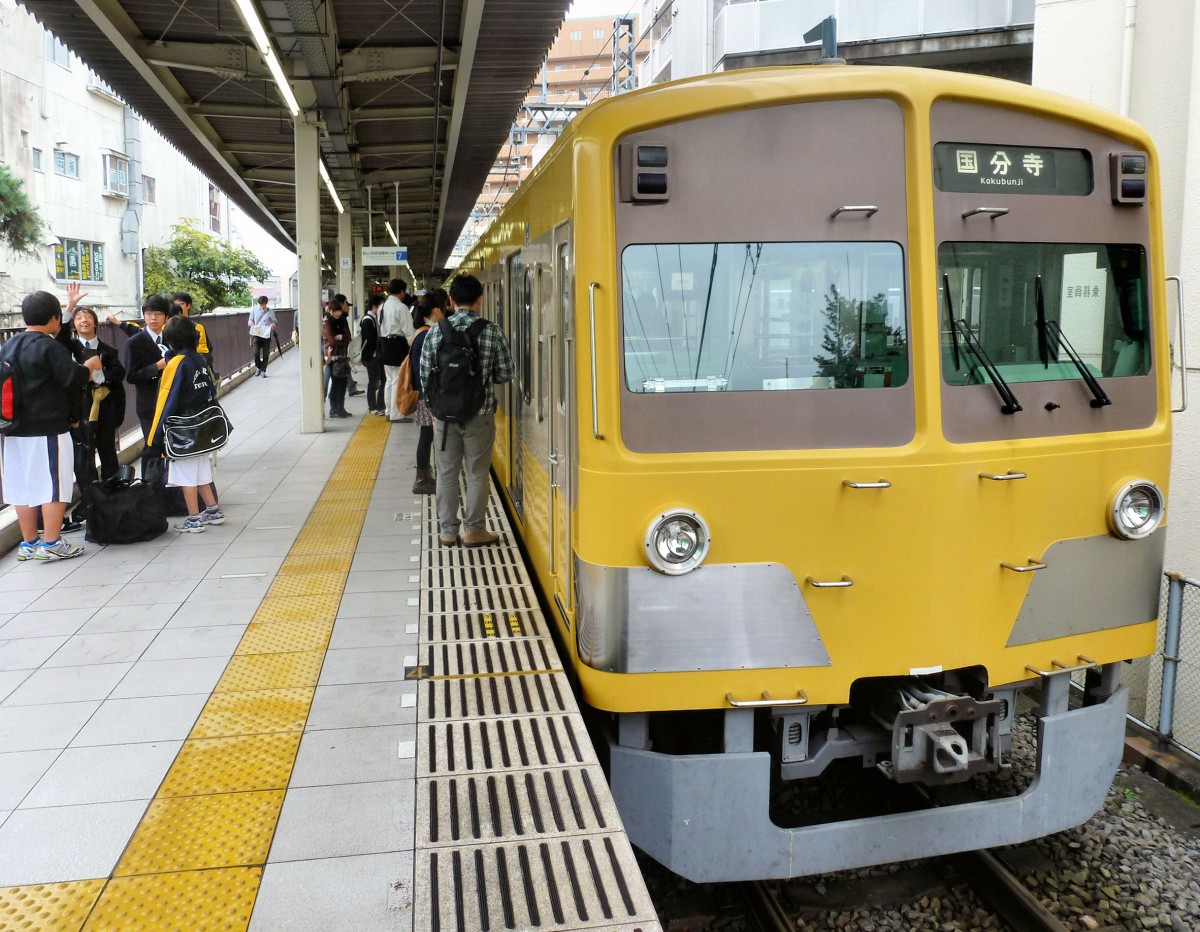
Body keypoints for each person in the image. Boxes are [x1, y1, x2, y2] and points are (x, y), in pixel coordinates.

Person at [0, 290, 103, 561]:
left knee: (21, 486)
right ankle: (52, 543)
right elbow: (73, 378)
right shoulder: (48, 346)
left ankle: (29, 542)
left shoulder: (8, 345)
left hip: (12, 429)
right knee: (54, 485)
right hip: (46, 428)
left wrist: (69, 306)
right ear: (55, 319)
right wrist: (90, 365)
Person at [420, 274, 513, 546]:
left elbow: (425, 376)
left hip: (445, 419)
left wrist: (437, 407)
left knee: (446, 473)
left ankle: (448, 531)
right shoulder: (492, 331)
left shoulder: (436, 331)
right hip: (480, 416)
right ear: (480, 300)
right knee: (477, 472)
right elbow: (506, 373)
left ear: (451, 301)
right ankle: (474, 530)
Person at [146, 316, 225, 533]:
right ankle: (212, 510)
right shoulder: (198, 359)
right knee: (201, 471)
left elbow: (166, 400)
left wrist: (154, 438)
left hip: (182, 429)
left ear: (170, 339)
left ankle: (193, 518)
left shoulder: (175, 364)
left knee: (186, 476)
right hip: (202, 425)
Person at [69, 305, 126, 493]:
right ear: (73, 325)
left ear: (95, 322)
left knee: (107, 449)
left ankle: (113, 493)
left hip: (104, 408)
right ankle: (91, 498)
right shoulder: (68, 349)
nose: (83, 320)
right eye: (78, 318)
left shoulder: (108, 350)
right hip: (78, 409)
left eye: (87, 316)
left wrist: (99, 374)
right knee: (84, 453)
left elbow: (118, 375)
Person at [125, 295, 171, 476]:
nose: (153, 318)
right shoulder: (134, 342)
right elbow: (131, 376)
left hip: (171, 402)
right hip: (149, 403)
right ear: (144, 316)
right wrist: (156, 367)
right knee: (152, 445)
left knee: (171, 445)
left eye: (158, 314)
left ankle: (173, 485)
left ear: (165, 317)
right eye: (149, 313)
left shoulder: (171, 338)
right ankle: (150, 485)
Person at [408, 290, 446, 494]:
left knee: (427, 435)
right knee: (427, 435)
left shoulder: (421, 331)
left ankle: (424, 477)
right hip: (427, 395)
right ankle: (421, 480)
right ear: (436, 310)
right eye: (444, 308)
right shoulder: (427, 334)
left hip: (425, 394)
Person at [379, 278, 414, 422]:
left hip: (385, 343)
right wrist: (413, 345)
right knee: (397, 381)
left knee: (389, 380)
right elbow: (408, 331)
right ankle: (396, 414)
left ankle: (388, 411)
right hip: (397, 345)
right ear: (402, 291)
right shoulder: (401, 307)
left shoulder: (383, 306)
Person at [171, 291, 214, 377]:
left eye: (181, 304)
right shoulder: (167, 328)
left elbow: (205, 352)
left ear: (188, 305)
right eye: (175, 305)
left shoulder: (198, 328)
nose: (178, 307)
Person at [323, 298, 352, 418]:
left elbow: (348, 336)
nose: (338, 313)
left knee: (343, 382)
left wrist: (340, 337)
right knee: (335, 382)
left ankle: (341, 408)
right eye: (335, 311)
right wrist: (339, 338)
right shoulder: (327, 323)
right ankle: (334, 408)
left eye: (339, 311)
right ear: (330, 311)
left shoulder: (343, 320)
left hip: (343, 355)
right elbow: (331, 340)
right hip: (333, 357)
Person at [360, 293, 385, 415]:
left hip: (378, 355)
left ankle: (381, 404)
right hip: (372, 356)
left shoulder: (374, 318)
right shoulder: (367, 320)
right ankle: (372, 406)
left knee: (382, 379)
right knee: (373, 382)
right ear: (375, 306)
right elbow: (370, 340)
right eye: (381, 305)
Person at [249, 295, 276, 377]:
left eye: (264, 304)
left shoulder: (270, 312)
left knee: (265, 354)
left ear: (266, 303)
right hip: (256, 335)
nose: (262, 306)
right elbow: (250, 320)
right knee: (255, 353)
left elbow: (274, 322)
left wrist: (272, 325)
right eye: (261, 305)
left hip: (266, 335)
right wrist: (251, 324)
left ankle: (263, 370)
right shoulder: (254, 310)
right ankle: (259, 367)